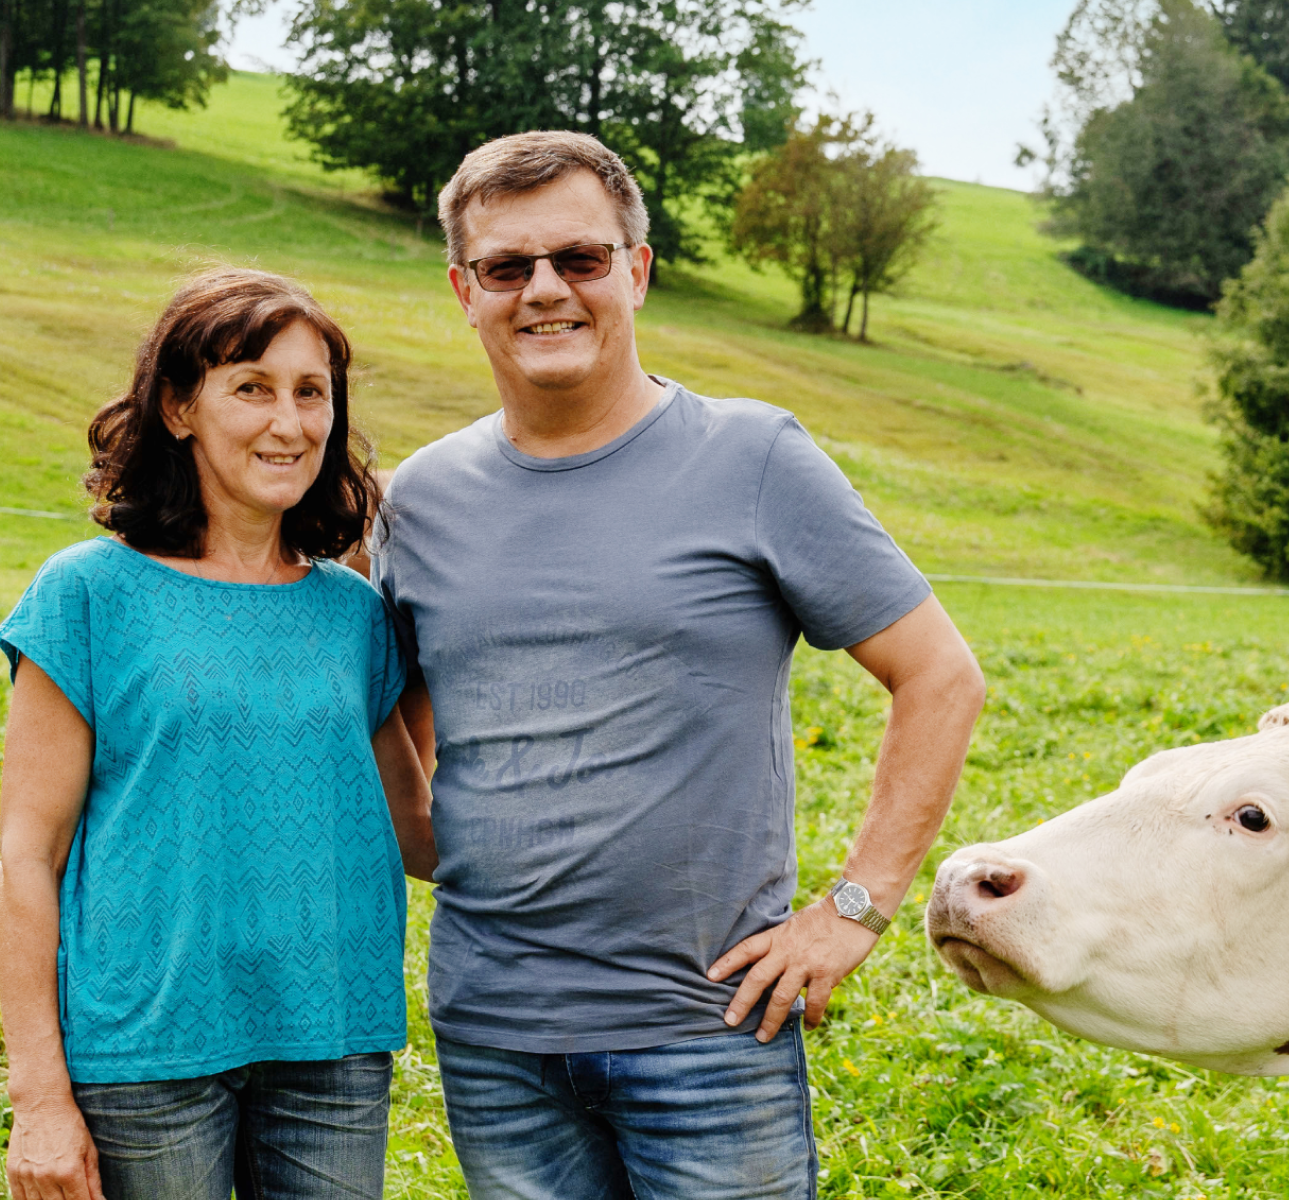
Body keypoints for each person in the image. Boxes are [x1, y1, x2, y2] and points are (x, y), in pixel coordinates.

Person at [372, 132, 987, 1199]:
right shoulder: (418, 500)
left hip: (709, 1032)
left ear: (637, 271)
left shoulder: (753, 457)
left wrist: (854, 908)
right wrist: (463, 856)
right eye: (508, 267)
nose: (545, 290)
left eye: (580, 258)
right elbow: (403, 740)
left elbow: (940, 676)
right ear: (465, 291)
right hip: (495, 1042)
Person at [0, 268, 436, 1200]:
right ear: (179, 408)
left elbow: (421, 836)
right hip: (146, 1052)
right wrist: (39, 1098)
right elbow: (28, 858)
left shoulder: (353, 613)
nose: (290, 422)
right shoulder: (89, 594)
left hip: (333, 1044)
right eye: (252, 388)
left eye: (311, 393)